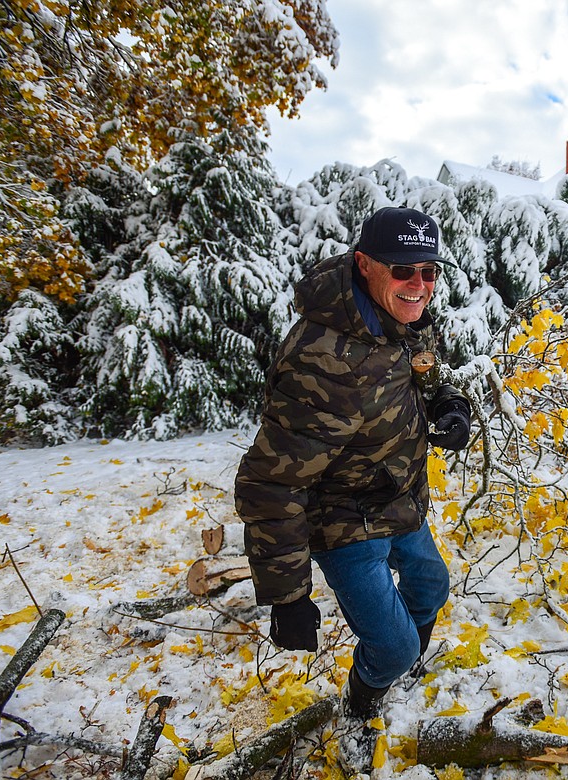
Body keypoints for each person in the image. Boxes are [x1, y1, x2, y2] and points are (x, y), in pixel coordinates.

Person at [233, 206, 471, 773]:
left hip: (400, 500)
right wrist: (287, 596)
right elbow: (271, 482)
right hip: (341, 522)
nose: (420, 286)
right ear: (365, 264)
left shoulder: (403, 317)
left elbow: (429, 376)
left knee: (431, 587)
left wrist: (451, 407)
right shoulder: (321, 358)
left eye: (430, 271)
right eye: (404, 270)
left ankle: (397, 667)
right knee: (392, 644)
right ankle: (361, 707)